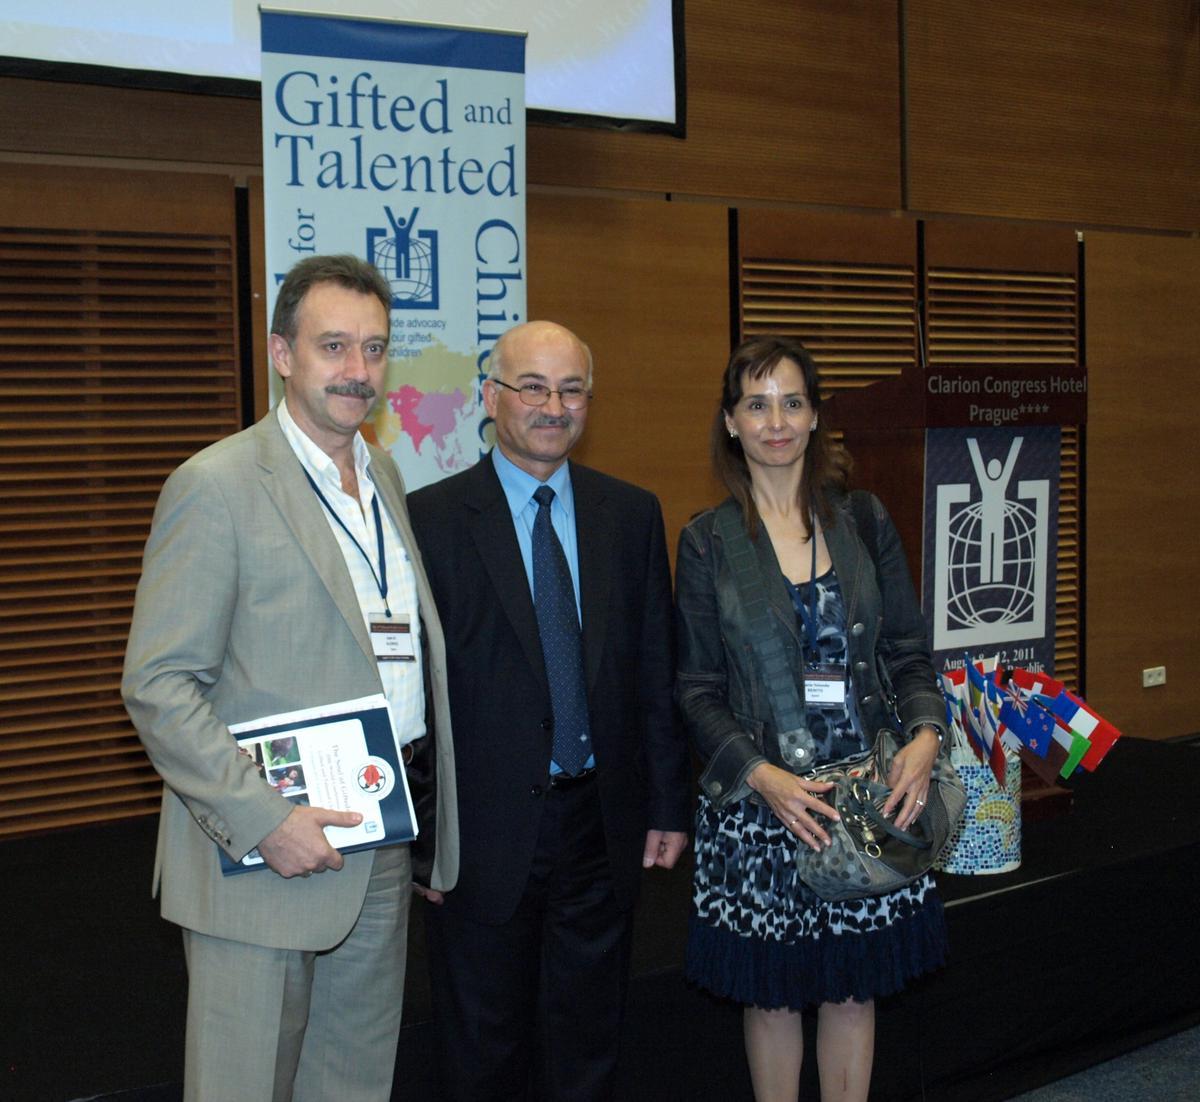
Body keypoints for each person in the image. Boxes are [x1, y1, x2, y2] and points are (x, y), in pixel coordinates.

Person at [121, 254, 458, 1102]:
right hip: (264, 857)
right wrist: (265, 821)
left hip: (378, 841)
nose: (358, 371)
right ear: (282, 354)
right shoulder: (216, 485)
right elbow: (158, 684)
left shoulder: (382, 475)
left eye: (374, 349)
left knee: (352, 1085)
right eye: (333, 346)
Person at [406, 320, 691, 1101]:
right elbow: (411, 695)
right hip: (480, 839)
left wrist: (668, 803)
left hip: (600, 826)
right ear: (489, 397)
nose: (553, 407)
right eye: (533, 387)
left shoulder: (629, 514)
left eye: (571, 390)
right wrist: (427, 842)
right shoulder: (429, 520)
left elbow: (654, 667)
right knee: (482, 1057)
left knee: (587, 1051)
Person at [674, 335, 948, 1102]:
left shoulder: (864, 519)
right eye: (757, 405)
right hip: (765, 808)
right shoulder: (706, 542)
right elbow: (695, 688)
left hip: (867, 803)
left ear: (816, 415)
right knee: (772, 998)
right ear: (731, 422)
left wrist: (926, 736)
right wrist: (761, 776)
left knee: (853, 990)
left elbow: (907, 650)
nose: (776, 422)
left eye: (792, 402)